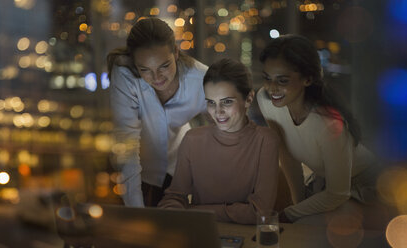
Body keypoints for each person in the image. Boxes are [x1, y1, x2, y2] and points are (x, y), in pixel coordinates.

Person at [256, 34, 378, 223]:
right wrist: (296, 206)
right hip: (325, 182)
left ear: (307, 79)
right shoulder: (267, 101)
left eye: (282, 81)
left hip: (365, 185)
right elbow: (287, 156)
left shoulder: (328, 123)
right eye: (267, 78)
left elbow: (338, 193)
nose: (271, 88)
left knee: (312, 227)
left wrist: (290, 214)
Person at [158, 58, 279, 224]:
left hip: (247, 238)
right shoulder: (193, 140)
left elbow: (259, 212)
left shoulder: (266, 140)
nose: (218, 112)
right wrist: (174, 211)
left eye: (227, 102)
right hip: (202, 234)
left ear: (249, 99)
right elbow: (174, 198)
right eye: (211, 103)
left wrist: (193, 211)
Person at [108, 18, 208, 207]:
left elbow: (226, 128)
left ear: (176, 52)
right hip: (133, 174)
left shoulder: (200, 79)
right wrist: (137, 211)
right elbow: (127, 146)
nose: (156, 78)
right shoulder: (124, 75)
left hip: (178, 171)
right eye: (145, 69)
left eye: (164, 66)